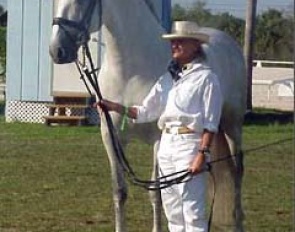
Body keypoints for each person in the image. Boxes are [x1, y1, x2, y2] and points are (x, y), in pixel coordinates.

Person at [97, 21, 223, 232]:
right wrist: (114, 107)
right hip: (166, 146)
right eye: (173, 42)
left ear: (195, 46)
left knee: (192, 211)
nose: (174, 46)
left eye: (180, 42)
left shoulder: (207, 79)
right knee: (172, 211)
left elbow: (211, 122)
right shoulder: (167, 79)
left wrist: (202, 153)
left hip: (189, 145)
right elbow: (145, 111)